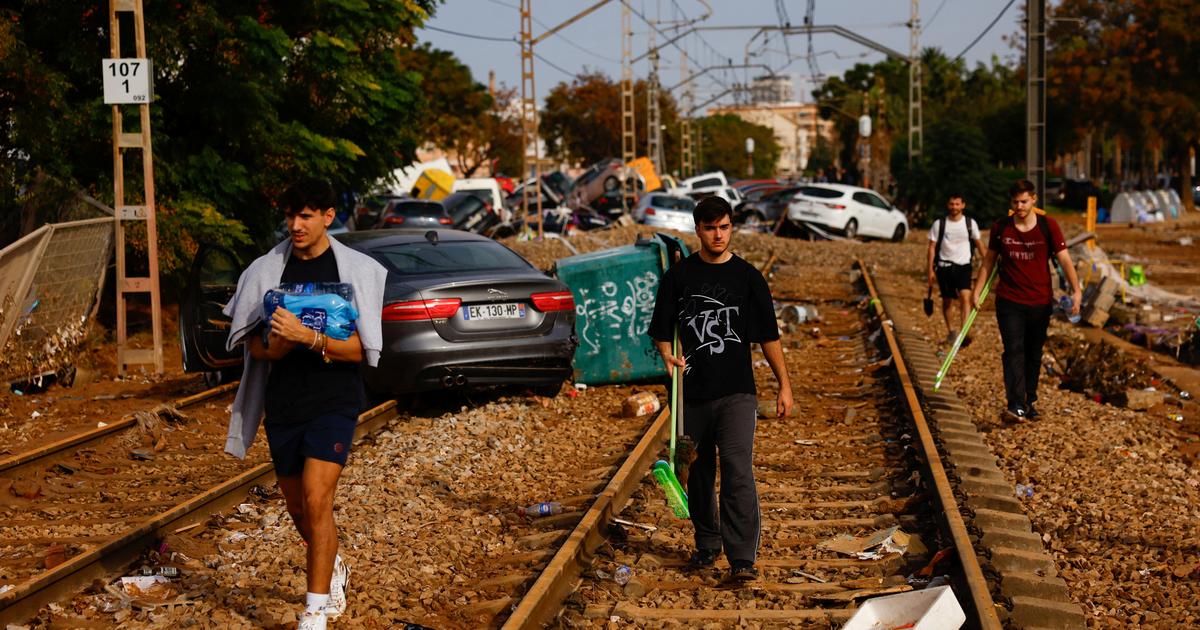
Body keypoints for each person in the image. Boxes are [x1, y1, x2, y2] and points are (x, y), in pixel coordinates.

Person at [222, 178, 387, 629]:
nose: (296, 225)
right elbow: (251, 344)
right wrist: (273, 346)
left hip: (335, 399)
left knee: (317, 500)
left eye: (306, 216)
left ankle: (314, 612)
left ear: (328, 216)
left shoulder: (355, 270)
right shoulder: (266, 271)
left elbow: (363, 350)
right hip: (286, 402)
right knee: (298, 509)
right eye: (291, 216)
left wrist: (309, 338)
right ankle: (331, 563)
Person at [648, 196, 794, 582]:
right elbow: (661, 330)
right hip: (692, 392)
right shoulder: (679, 278)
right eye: (710, 228)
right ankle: (707, 543)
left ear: (732, 228)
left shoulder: (748, 278)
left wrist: (784, 385)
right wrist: (667, 356)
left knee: (736, 471)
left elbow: (768, 337)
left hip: (737, 393)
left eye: (724, 227)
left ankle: (742, 557)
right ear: (698, 230)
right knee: (697, 473)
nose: (718, 234)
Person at [972, 179, 1081, 423]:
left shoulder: (1047, 226)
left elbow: (1064, 260)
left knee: (1033, 353)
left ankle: (1029, 400)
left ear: (1033, 200)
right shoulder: (1001, 227)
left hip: (1040, 302)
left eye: (1024, 201)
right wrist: (977, 290)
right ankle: (1015, 404)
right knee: (1013, 351)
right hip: (1009, 300)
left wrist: (1076, 291)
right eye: (1015, 202)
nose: (1019, 206)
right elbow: (989, 261)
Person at [926, 194, 984, 345]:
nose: (954, 207)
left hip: (964, 266)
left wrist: (987, 262)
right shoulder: (940, 224)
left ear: (963, 205)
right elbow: (932, 247)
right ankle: (951, 331)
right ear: (948, 205)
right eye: (952, 204)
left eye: (957, 204)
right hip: (944, 267)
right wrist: (930, 270)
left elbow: (979, 244)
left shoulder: (970, 223)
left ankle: (964, 330)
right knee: (947, 301)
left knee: (966, 297)